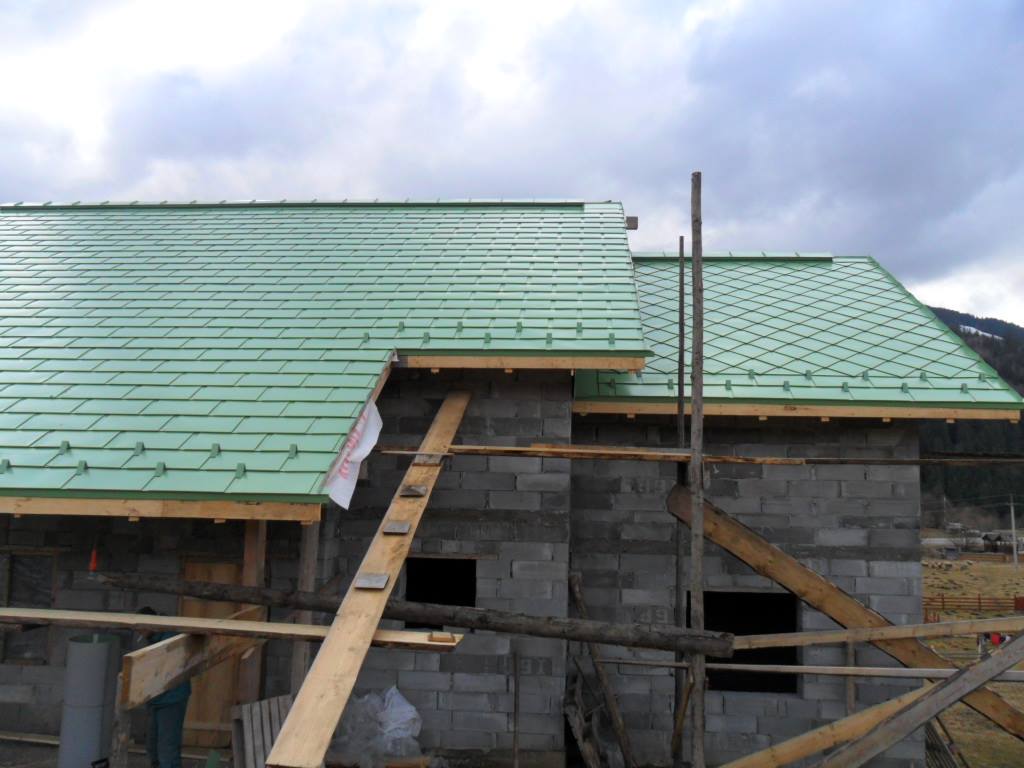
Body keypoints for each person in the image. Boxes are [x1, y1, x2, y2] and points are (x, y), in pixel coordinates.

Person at [137, 607, 191, 768]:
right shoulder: (152, 637)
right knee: (152, 747)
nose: (139, 632)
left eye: (141, 627)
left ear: (151, 624)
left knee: (167, 749)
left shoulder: (170, 636)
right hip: (156, 699)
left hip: (172, 698)